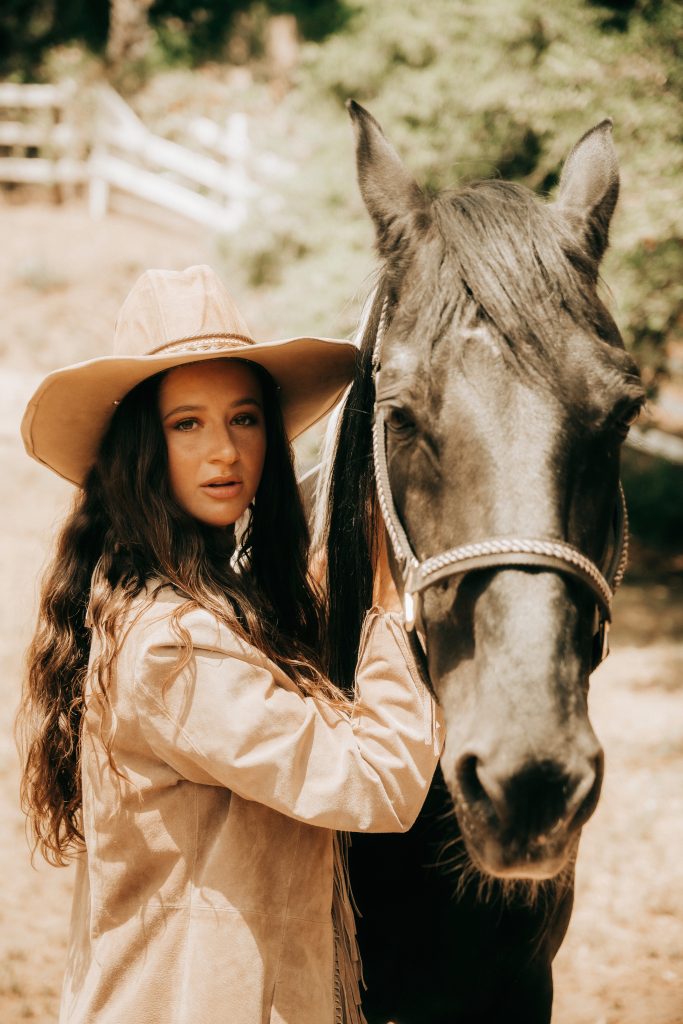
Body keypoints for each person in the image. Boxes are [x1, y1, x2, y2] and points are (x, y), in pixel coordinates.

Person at [17, 265, 443, 1024]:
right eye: (187, 424)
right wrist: (384, 606)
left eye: (244, 418)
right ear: (143, 448)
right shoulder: (173, 650)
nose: (225, 451)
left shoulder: (207, 605)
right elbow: (373, 781)